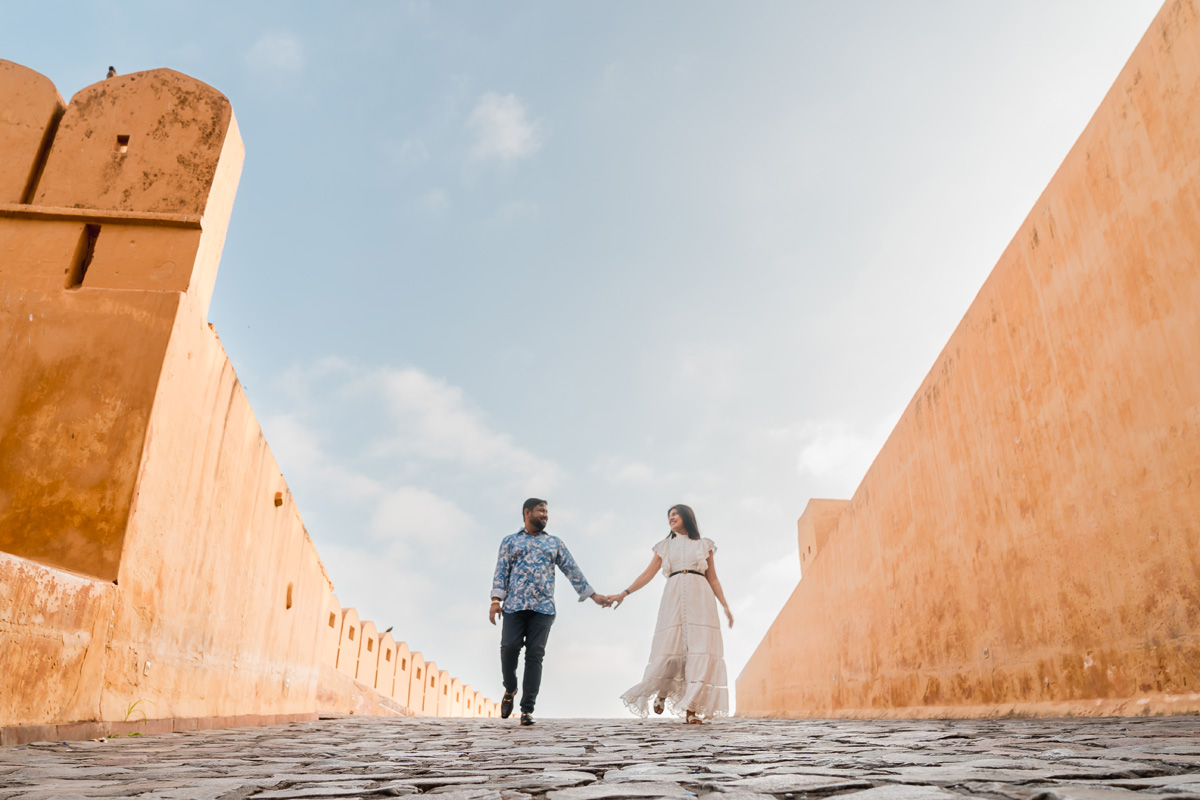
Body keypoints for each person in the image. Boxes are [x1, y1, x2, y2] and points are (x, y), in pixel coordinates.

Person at [490, 498, 612, 725]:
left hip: (543, 608)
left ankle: (527, 710)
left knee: (535, 655)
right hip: (515, 606)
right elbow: (501, 570)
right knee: (509, 648)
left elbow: (571, 569)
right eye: (541, 511)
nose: (545, 515)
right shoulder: (510, 541)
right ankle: (510, 689)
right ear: (527, 513)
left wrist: (593, 595)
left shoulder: (554, 543)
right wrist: (496, 600)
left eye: (546, 511)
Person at [614, 504, 732, 723]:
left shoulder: (704, 545)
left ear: (687, 517)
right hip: (674, 597)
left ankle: (691, 711)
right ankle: (662, 691)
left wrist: (724, 605)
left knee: (699, 651)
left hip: (701, 598)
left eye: (675, 514)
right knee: (671, 647)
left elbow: (713, 578)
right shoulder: (665, 546)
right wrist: (624, 593)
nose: (671, 517)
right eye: (669, 515)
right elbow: (647, 574)